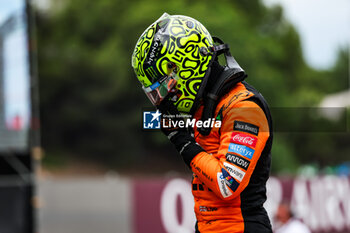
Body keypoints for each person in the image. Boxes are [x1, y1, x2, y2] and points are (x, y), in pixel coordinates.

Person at [131, 13, 273, 233]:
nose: (167, 96)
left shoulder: (244, 107)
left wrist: (182, 141)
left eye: (166, 86)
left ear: (185, 68)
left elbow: (227, 184)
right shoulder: (207, 106)